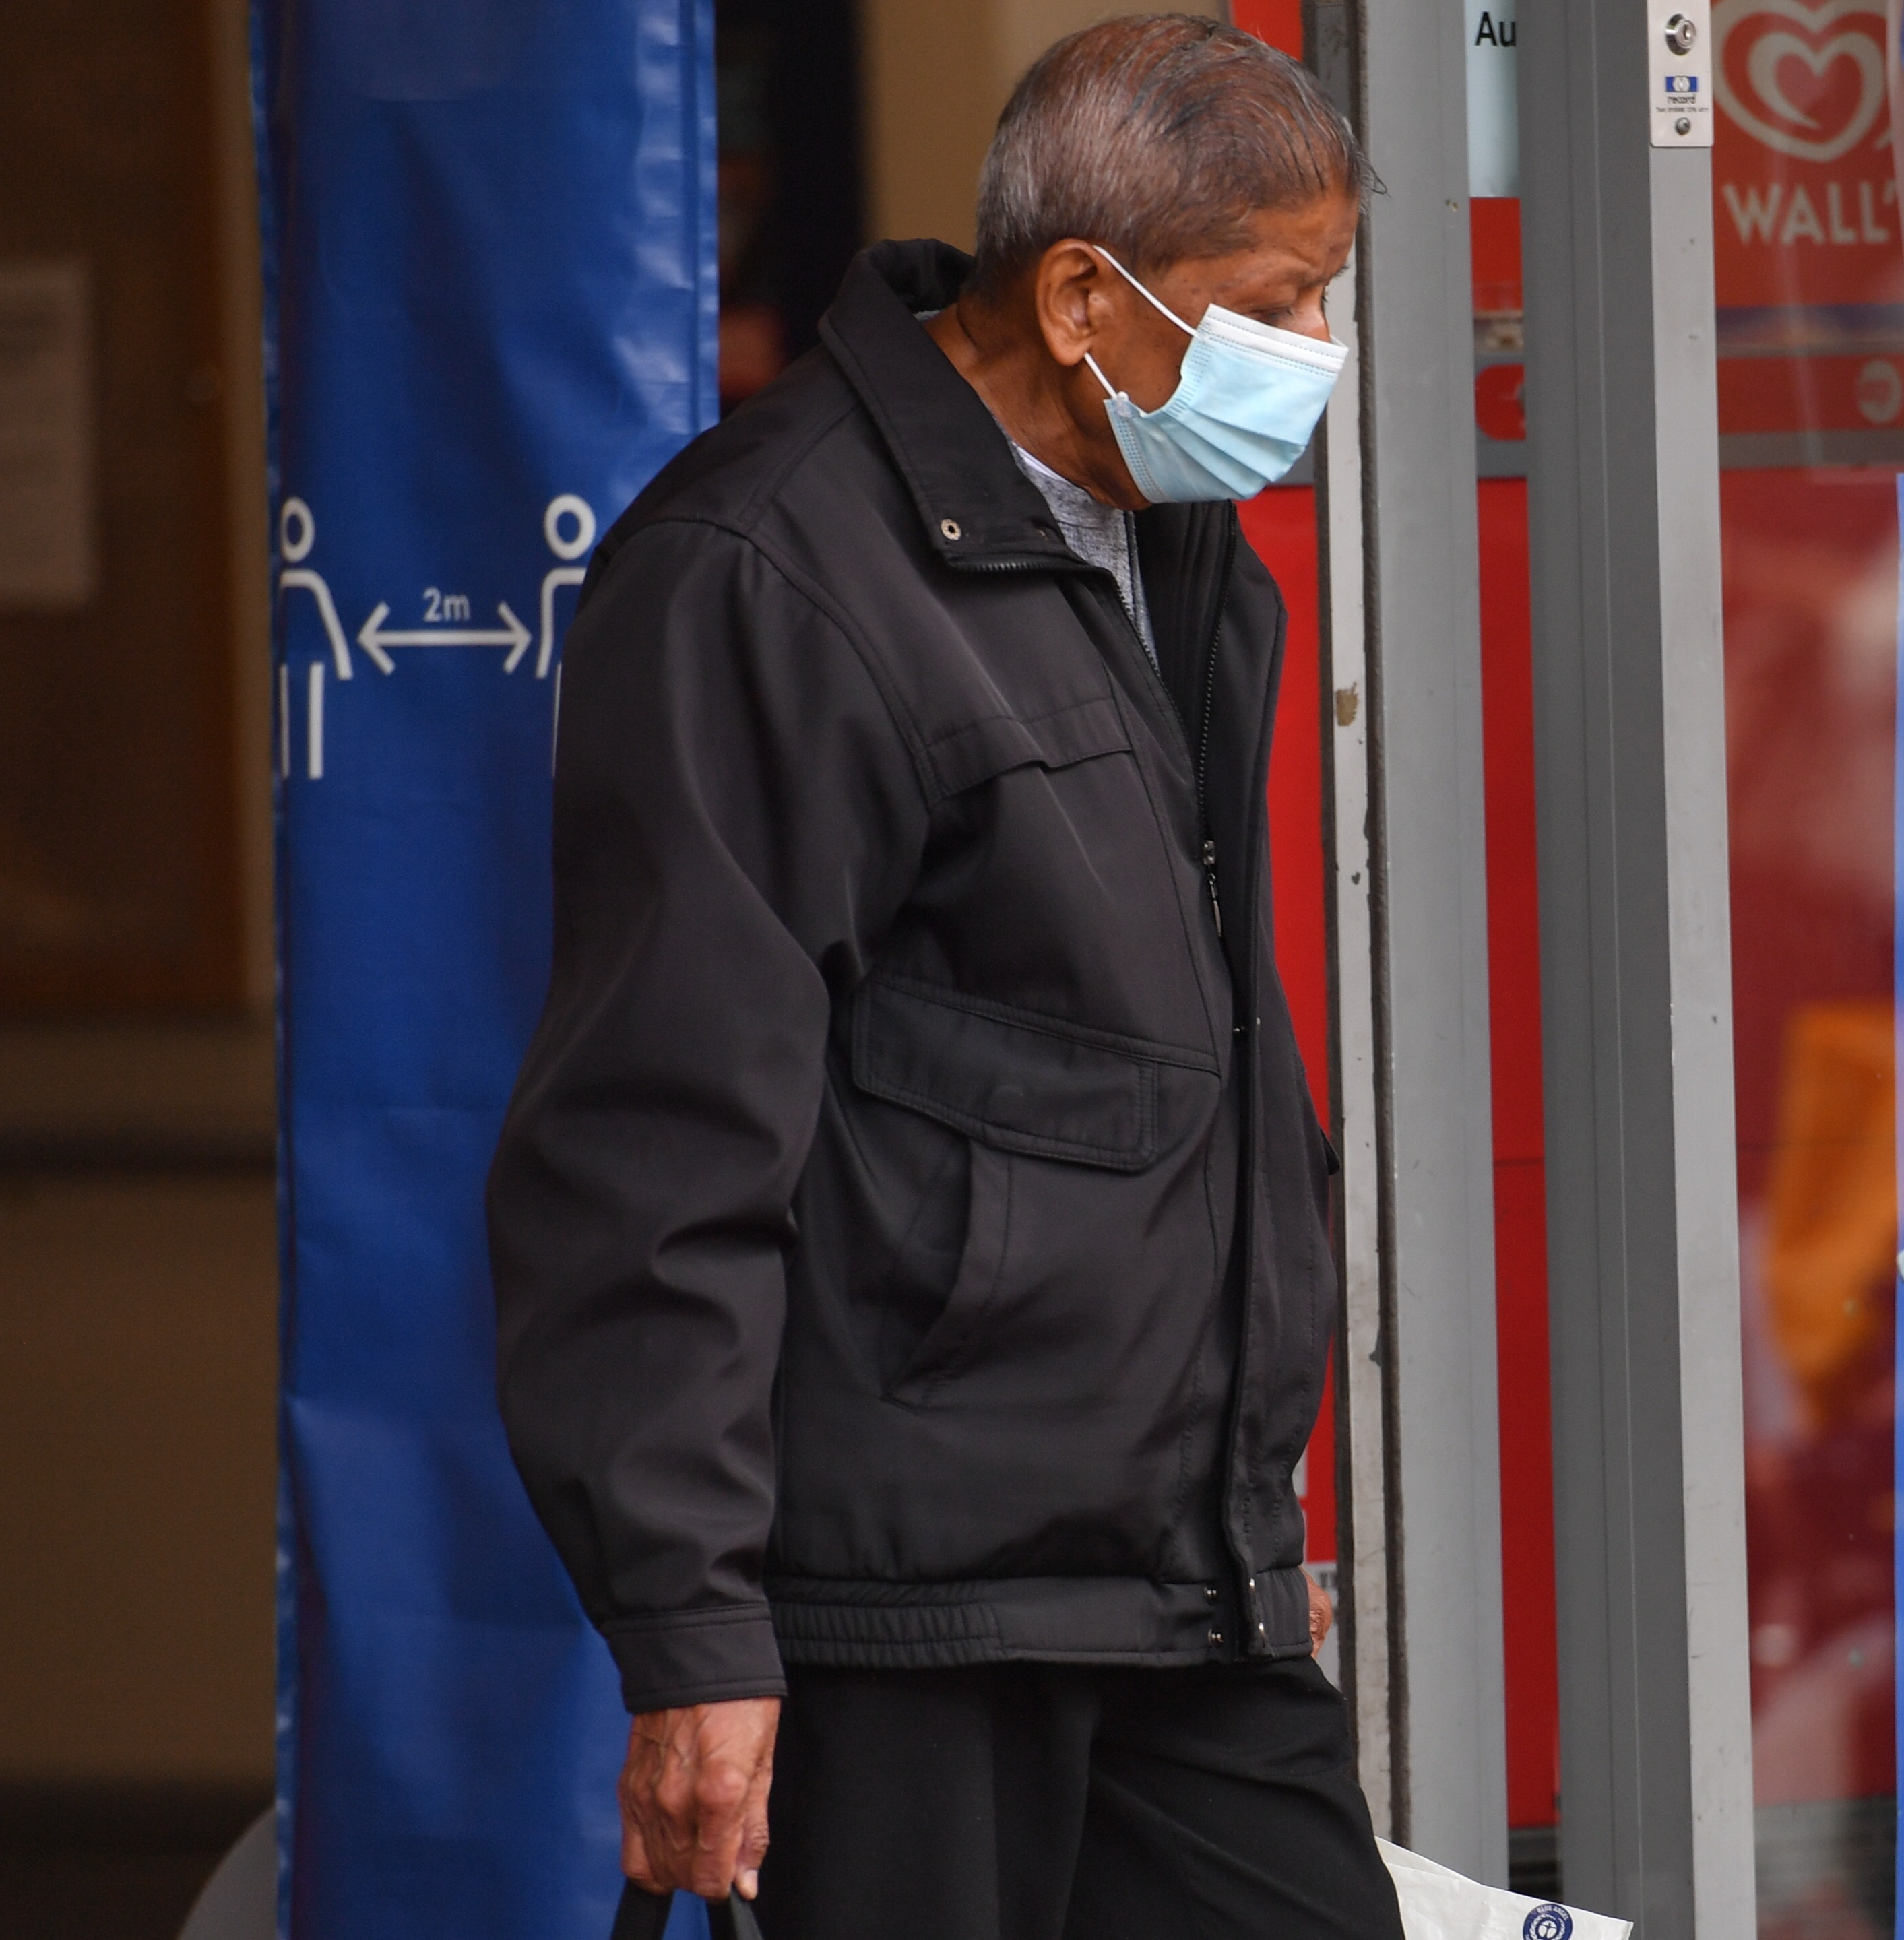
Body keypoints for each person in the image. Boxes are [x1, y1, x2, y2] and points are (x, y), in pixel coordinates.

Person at [484, 19, 1395, 1936]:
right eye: (1276, 304)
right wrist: (691, 1631)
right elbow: (660, 1139)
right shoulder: (768, 569)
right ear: (1082, 299)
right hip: (900, 1610)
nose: (1317, 351)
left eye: (1328, 296)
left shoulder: (1183, 547)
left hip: (1173, 1583)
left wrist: (1252, 1511)